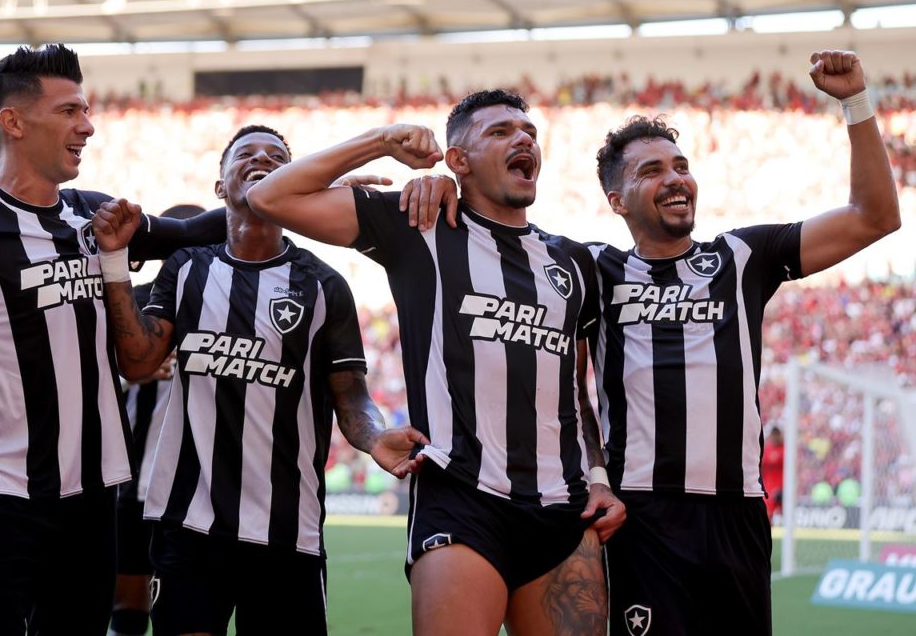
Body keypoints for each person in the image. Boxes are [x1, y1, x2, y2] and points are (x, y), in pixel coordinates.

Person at [244, 90, 626, 636]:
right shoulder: (417, 224)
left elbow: (575, 390)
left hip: (565, 511)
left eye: (529, 132)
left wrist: (597, 476)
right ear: (458, 161)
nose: (523, 139)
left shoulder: (575, 262)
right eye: (499, 132)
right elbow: (270, 197)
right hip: (460, 500)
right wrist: (382, 142)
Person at [584, 50, 899, 635]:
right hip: (645, 516)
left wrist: (855, 102)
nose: (674, 178)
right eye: (651, 171)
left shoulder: (742, 256)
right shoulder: (593, 270)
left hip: (739, 513)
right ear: (617, 201)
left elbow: (874, 217)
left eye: (680, 165)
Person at [92, 124, 428, 636]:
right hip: (187, 524)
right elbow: (137, 363)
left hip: (285, 532)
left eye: (277, 155)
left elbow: (351, 396)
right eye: (245, 153)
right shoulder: (185, 271)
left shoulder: (323, 286)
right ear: (220, 185)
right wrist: (114, 259)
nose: (261, 158)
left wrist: (373, 434)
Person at [0, 44, 225, 636]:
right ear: (14, 121)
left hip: (94, 500)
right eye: (70, 110)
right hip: (0, 495)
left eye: (88, 109)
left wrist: (317, 188)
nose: (89, 125)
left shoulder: (97, 216)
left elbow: (196, 229)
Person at [109, 203, 207, 636]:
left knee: (187, 606)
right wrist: (133, 369)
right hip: (133, 481)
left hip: (195, 487)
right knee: (127, 602)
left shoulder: (226, 302)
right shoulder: (135, 301)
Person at [762, 426, 784, 523]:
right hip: (768, 487)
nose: (775, 437)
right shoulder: (767, 449)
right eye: (773, 435)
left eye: (777, 435)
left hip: (781, 487)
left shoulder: (785, 450)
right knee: (767, 515)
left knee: (783, 514)